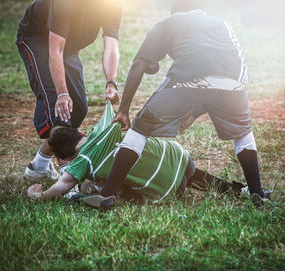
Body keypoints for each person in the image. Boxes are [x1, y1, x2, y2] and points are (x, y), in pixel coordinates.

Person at [101, 0, 271, 206]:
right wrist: (194, 113)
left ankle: (106, 195)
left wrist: (123, 110)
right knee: (243, 133)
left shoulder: (170, 21)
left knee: (139, 129)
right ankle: (257, 192)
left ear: (175, 10)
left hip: (190, 78)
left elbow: (139, 64)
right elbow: (214, 84)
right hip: (236, 82)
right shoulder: (221, 24)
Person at [27, 103, 245, 208]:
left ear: (67, 158)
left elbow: (63, 185)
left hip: (169, 189)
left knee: (95, 187)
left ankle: (133, 196)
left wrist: (38, 195)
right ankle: (238, 190)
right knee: (190, 173)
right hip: (180, 158)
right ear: (81, 133)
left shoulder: (82, 161)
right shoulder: (103, 127)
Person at [16, 0, 122, 181]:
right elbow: (55, 49)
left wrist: (111, 82)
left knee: (78, 108)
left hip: (69, 47)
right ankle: (68, 177)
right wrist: (62, 93)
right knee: (59, 110)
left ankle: (38, 167)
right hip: (38, 39)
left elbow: (111, 46)